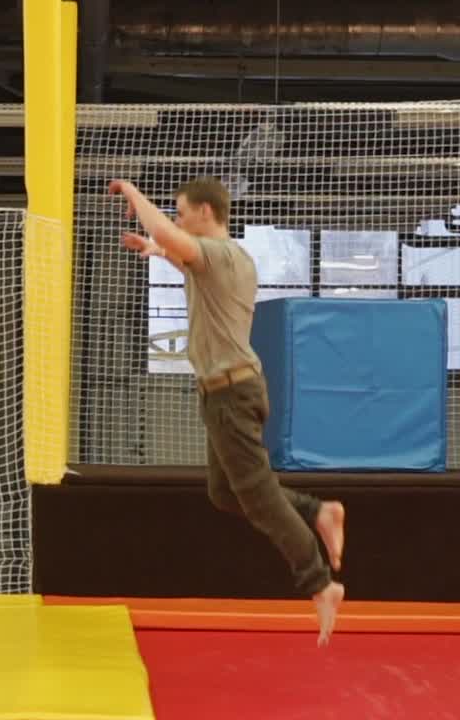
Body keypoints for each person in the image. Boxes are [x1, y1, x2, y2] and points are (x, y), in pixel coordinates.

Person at [109, 175, 346, 646]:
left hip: (231, 392)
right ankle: (320, 511)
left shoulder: (214, 254)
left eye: (181, 212)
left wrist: (136, 195)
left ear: (204, 212)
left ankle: (320, 582)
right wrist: (156, 253)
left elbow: (173, 240)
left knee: (257, 497)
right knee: (226, 492)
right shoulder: (232, 259)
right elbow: (182, 256)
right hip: (229, 392)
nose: (177, 220)